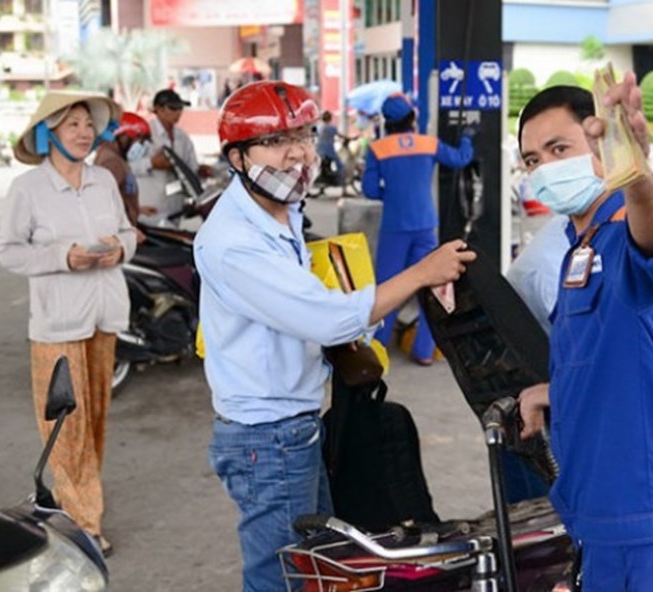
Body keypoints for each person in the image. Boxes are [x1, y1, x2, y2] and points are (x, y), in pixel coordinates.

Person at [194, 80, 475, 592]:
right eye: (276, 141)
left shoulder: (279, 213)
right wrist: (420, 274)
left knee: (319, 565)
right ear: (236, 158)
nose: (298, 153)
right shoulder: (235, 242)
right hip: (269, 437)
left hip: (291, 427)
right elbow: (327, 319)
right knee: (284, 577)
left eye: (303, 134)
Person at [515, 82, 653, 591]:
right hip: (597, 515)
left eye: (560, 150)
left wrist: (638, 176)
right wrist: (550, 392)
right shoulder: (579, 248)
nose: (545, 169)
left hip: (644, 519)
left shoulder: (625, 231)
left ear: (601, 146)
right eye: (532, 159)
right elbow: (609, 359)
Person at [0, 91, 137, 557]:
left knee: (93, 420)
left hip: (104, 315)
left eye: (87, 124)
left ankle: (77, 505)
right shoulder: (28, 189)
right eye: (72, 123)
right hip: (57, 324)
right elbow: (10, 251)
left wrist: (121, 249)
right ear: (49, 132)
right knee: (64, 426)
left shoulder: (102, 180)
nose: (83, 132)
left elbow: (126, 231)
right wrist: (63, 257)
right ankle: (83, 525)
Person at [362, 93, 475, 365]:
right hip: (425, 224)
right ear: (412, 117)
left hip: (394, 227)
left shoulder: (377, 148)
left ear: (386, 121)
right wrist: (467, 136)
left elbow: (368, 190)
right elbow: (461, 159)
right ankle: (424, 351)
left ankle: (376, 350)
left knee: (387, 288)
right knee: (432, 286)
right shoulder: (428, 144)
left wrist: (391, 197)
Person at [130, 88, 212, 224]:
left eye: (180, 108)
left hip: (175, 207)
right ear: (158, 109)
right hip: (150, 207)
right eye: (172, 108)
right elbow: (128, 167)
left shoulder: (183, 137)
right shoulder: (144, 134)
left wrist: (201, 170)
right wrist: (152, 163)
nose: (178, 112)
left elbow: (191, 168)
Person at [94, 111, 158, 239]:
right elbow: (101, 204)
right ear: (123, 137)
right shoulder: (112, 162)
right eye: (139, 142)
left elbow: (115, 196)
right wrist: (124, 231)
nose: (140, 148)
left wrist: (135, 209)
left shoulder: (117, 158)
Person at [315, 110, 346, 182]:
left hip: (318, 150)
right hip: (328, 150)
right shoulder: (332, 127)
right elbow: (340, 136)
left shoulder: (318, 127)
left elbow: (317, 137)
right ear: (330, 118)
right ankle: (341, 179)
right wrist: (349, 138)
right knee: (339, 163)